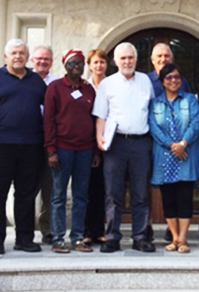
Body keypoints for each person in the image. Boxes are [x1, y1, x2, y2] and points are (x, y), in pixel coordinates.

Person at [0, 39, 47, 255]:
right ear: (6, 57)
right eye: (13, 53)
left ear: (27, 57)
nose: (18, 56)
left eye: (22, 53)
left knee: (26, 195)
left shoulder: (36, 81)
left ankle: (24, 238)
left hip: (31, 146)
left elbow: (49, 111)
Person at [92, 42, 155, 253]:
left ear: (136, 60)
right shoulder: (107, 84)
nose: (127, 61)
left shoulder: (145, 80)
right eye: (123, 58)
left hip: (141, 143)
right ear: (116, 61)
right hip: (115, 144)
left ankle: (140, 237)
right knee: (113, 193)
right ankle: (112, 237)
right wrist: (100, 140)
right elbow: (101, 115)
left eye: (131, 58)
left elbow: (152, 110)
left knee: (141, 194)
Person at [44, 49, 98, 253]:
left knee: (81, 196)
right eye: (72, 63)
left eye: (80, 64)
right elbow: (48, 121)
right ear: (64, 65)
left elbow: (94, 121)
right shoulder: (55, 88)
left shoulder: (89, 90)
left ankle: (77, 238)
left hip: (85, 150)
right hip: (62, 149)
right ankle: (58, 238)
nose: (76, 67)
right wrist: (51, 150)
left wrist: (95, 153)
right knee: (59, 195)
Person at [149, 64, 199, 253]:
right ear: (163, 82)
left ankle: (183, 239)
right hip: (165, 156)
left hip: (186, 155)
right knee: (168, 199)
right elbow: (154, 128)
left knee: (184, 198)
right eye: (169, 78)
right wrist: (172, 146)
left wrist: (183, 143)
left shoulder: (190, 100)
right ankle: (173, 237)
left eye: (177, 77)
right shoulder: (155, 103)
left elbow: (196, 123)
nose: (174, 81)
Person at [31, 45, 59, 245]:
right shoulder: (25, 80)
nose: (42, 62)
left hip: (51, 144)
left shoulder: (57, 84)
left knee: (50, 189)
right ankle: (25, 232)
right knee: (26, 189)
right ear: (32, 60)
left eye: (46, 59)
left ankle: (47, 229)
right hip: (28, 142)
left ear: (51, 62)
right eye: (39, 59)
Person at [83, 49, 109, 245]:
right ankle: (86, 231)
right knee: (88, 189)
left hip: (111, 143)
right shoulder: (83, 87)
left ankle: (100, 230)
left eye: (102, 62)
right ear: (89, 65)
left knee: (103, 190)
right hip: (88, 144)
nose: (98, 66)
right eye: (95, 62)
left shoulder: (112, 85)